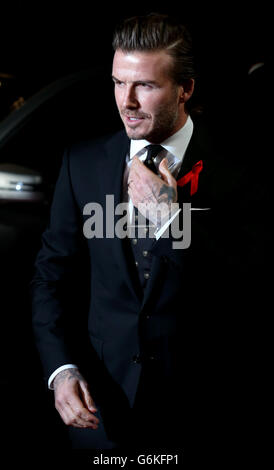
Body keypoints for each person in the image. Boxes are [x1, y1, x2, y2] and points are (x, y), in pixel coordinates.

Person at [31, 13, 252, 462]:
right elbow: (52, 278)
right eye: (117, 82)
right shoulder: (83, 162)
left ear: (185, 88)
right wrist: (61, 369)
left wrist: (171, 223)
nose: (125, 101)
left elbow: (248, 285)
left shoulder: (240, 169)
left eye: (145, 86)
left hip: (202, 419)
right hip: (102, 416)